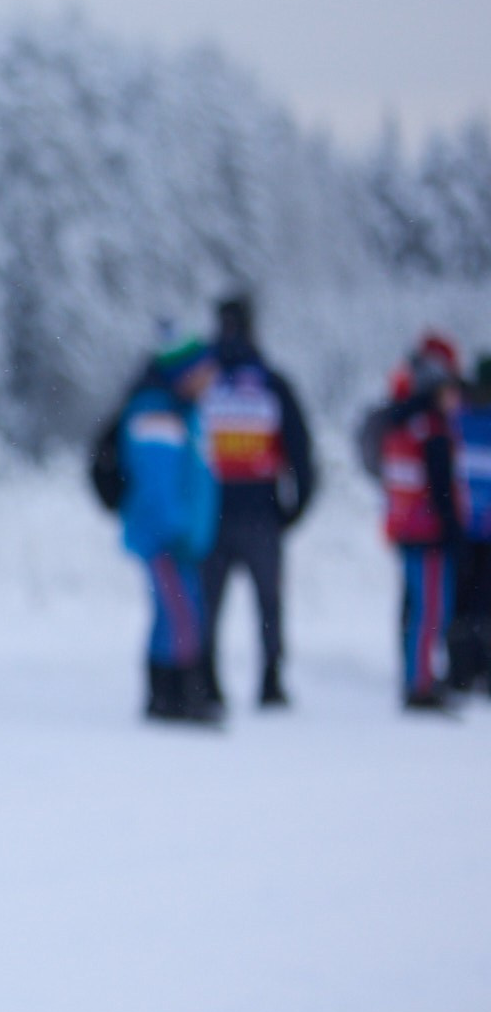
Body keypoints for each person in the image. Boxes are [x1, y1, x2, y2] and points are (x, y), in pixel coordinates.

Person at [196, 294, 314, 709]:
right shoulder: (270, 382)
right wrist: (293, 507)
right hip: (262, 512)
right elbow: (300, 450)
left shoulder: (202, 381)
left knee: (207, 604)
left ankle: (205, 680)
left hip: (211, 513)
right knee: (269, 604)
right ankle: (271, 680)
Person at [117, 333, 224, 725]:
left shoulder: (181, 410)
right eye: (204, 372)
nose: (211, 380)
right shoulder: (158, 414)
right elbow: (157, 483)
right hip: (166, 537)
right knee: (182, 614)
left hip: (181, 536)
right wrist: (175, 529)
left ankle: (165, 695)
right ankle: (180, 693)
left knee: (173, 613)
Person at [362, 335, 464, 714]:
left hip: (404, 528)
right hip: (429, 533)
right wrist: (454, 529)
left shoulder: (400, 420)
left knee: (418, 609)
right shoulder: (432, 429)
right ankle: (420, 685)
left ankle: (416, 677)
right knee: (432, 611)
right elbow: (441, 488)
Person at [451, 358, 491, 696]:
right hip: (469, 530)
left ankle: (463, 671)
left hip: (463, 529)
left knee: (463, 605)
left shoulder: (456, 419)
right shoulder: (458, 420)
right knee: (472, 605)